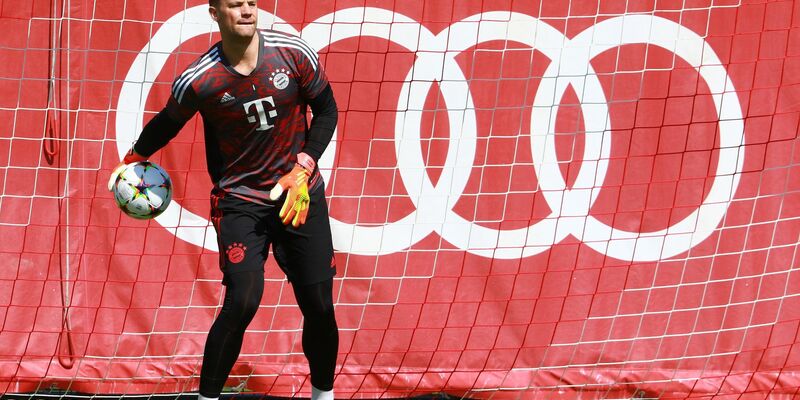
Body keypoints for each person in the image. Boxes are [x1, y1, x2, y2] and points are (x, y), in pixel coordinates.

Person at [108, 1, 339, 399]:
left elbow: (327, 110)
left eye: (252, 3)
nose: (247, 11)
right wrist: (132, 159)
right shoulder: (199, 80)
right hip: (240, 201)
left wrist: (304, 166)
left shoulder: (293, 53)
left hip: (299, 194)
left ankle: (324, 395)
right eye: (235, 5)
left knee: (318, 304)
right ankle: (207, 397)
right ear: (215, 14)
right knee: (243, 300)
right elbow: (169, 121)